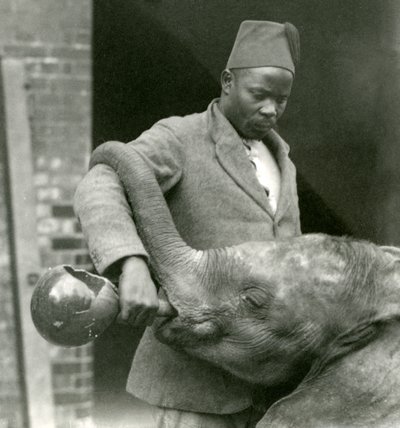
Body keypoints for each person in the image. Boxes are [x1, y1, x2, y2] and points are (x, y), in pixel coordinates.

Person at [75, 20, 301, 428]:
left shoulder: (283, 160)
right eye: (259, 95)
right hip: (195, 389)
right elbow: (102, 181)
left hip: (267, 389)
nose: (271, 109)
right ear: (228, 81)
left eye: (281, 100)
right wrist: (131, 264)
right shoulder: (180, 139)